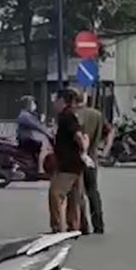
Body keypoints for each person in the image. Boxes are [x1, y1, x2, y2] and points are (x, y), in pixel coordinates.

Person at [71, 93, 114, 235]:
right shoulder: (97, 115)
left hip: (77, 158)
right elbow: (110, 131)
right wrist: (105, 150)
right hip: (92, 157)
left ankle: (83, 226)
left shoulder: (73, 115)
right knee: (93, 191)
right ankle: (98, 224)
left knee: (78, 193)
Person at [48, 89, 88, 233]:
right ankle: (74, 225)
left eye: (56, 100)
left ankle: (58, 226)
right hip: (75, 163)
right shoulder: (73, 115)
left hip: (69, 163)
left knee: (56, 193)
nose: (54, 103)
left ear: (62, 101)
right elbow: (84, 135)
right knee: (74, 195)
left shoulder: (67, 115)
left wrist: (83, 150)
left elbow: (78, 135)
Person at [16, 95, 52, 174]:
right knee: (45, 147)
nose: (35, 106)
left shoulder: (29, 115)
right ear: (28, 104)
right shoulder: (25, 115)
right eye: (33, 104)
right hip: (27, 140)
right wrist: (49, 135)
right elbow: (38, 126)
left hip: (28, 138)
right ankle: (40, 169)